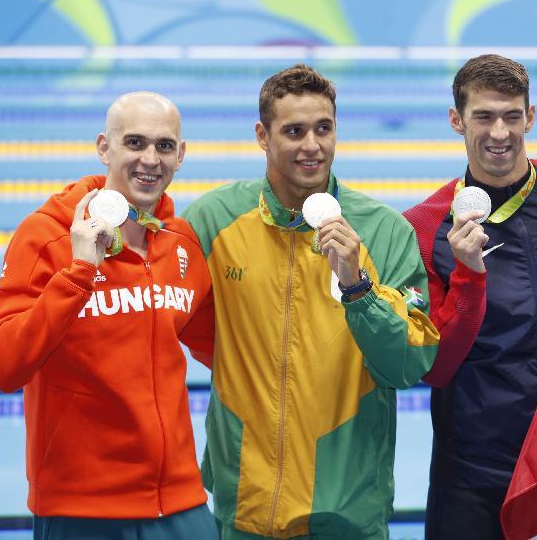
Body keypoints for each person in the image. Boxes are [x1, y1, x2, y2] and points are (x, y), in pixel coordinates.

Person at [182, 64, 439, 539]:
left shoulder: (384, 231)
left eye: (323, 128)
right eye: (294, 131)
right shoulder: (214, 220)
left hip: (345, 514)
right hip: (244, 507)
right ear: (262, 135)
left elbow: (408, 364)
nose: (312, 146)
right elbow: (166, 312)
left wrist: (358, 287)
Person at [403, 54, 537, 539]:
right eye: (483, 117)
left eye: (511, 116)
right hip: (470, 473)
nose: (499, 132)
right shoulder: (424, 226)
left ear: (531, 116)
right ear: (456, 120)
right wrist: (468, 274)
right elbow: (435, 367)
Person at [0, 92, 218, 539]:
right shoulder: (46, 237)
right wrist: (78, 275)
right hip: (82, 507)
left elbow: (227, 352)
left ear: (181, 155)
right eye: (134, 143)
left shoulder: (182, 244)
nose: (150, 159)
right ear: (104, 147)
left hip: (182, 503)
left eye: (164, 146)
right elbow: (1, 366)